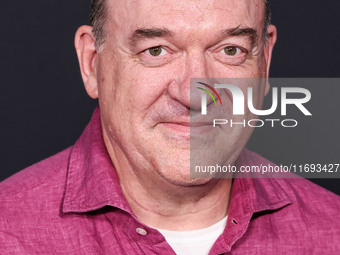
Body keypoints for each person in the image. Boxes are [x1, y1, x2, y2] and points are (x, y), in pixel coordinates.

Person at [1, 0, 339, 254]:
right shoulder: (8, 232)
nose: (195, 95)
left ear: (264, 62)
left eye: (230, 50)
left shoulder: (332, 231)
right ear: (92, 64)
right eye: (156, 50)